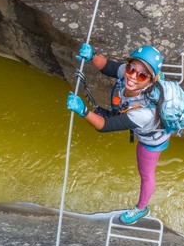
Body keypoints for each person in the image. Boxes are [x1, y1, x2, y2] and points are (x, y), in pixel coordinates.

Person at [66, 43, 169, 224]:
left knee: (146, 173)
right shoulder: (132, 74)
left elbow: (105, 125)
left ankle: (142, 208)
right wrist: (92, 57)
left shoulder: (144, 112)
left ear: (151, 80)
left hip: (152, 139)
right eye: (131, 68)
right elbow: (110, 67)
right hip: (138, 119)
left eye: (142, 74)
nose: (133, 76)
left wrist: (83, 111)